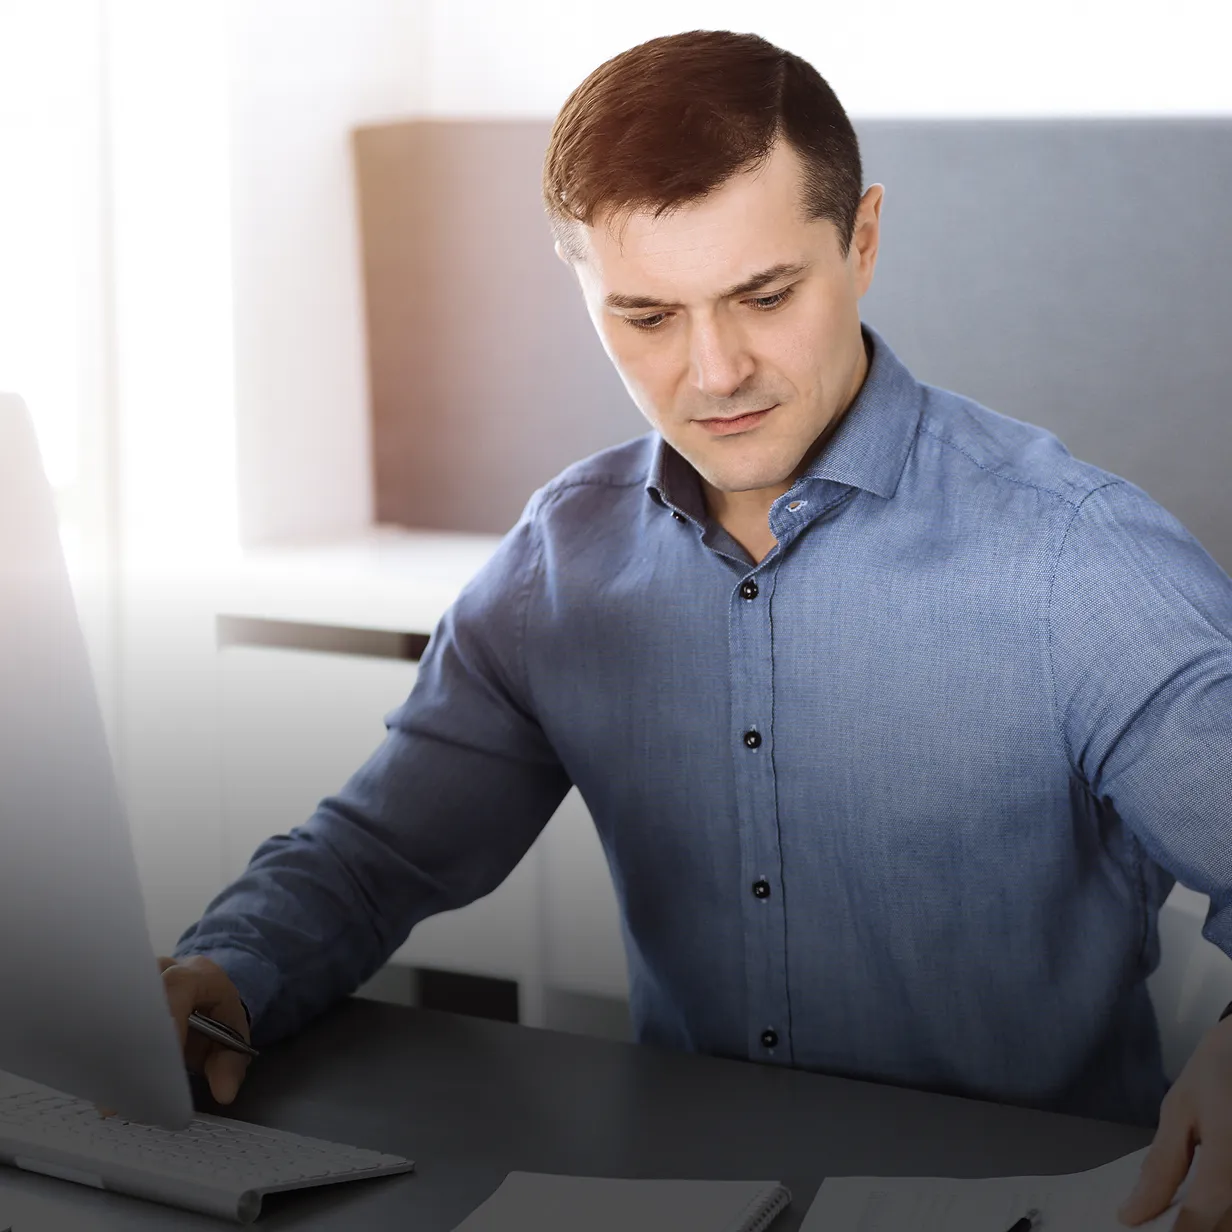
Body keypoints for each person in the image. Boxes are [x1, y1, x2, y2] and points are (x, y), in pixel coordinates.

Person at [162, 29, 1232, 1231]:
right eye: (646, 316)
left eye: (762, 295)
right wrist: (224, 973)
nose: (712, 370)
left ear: (862, 239)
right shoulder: (559, 560)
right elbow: (372, 858)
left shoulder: (1073, 558)